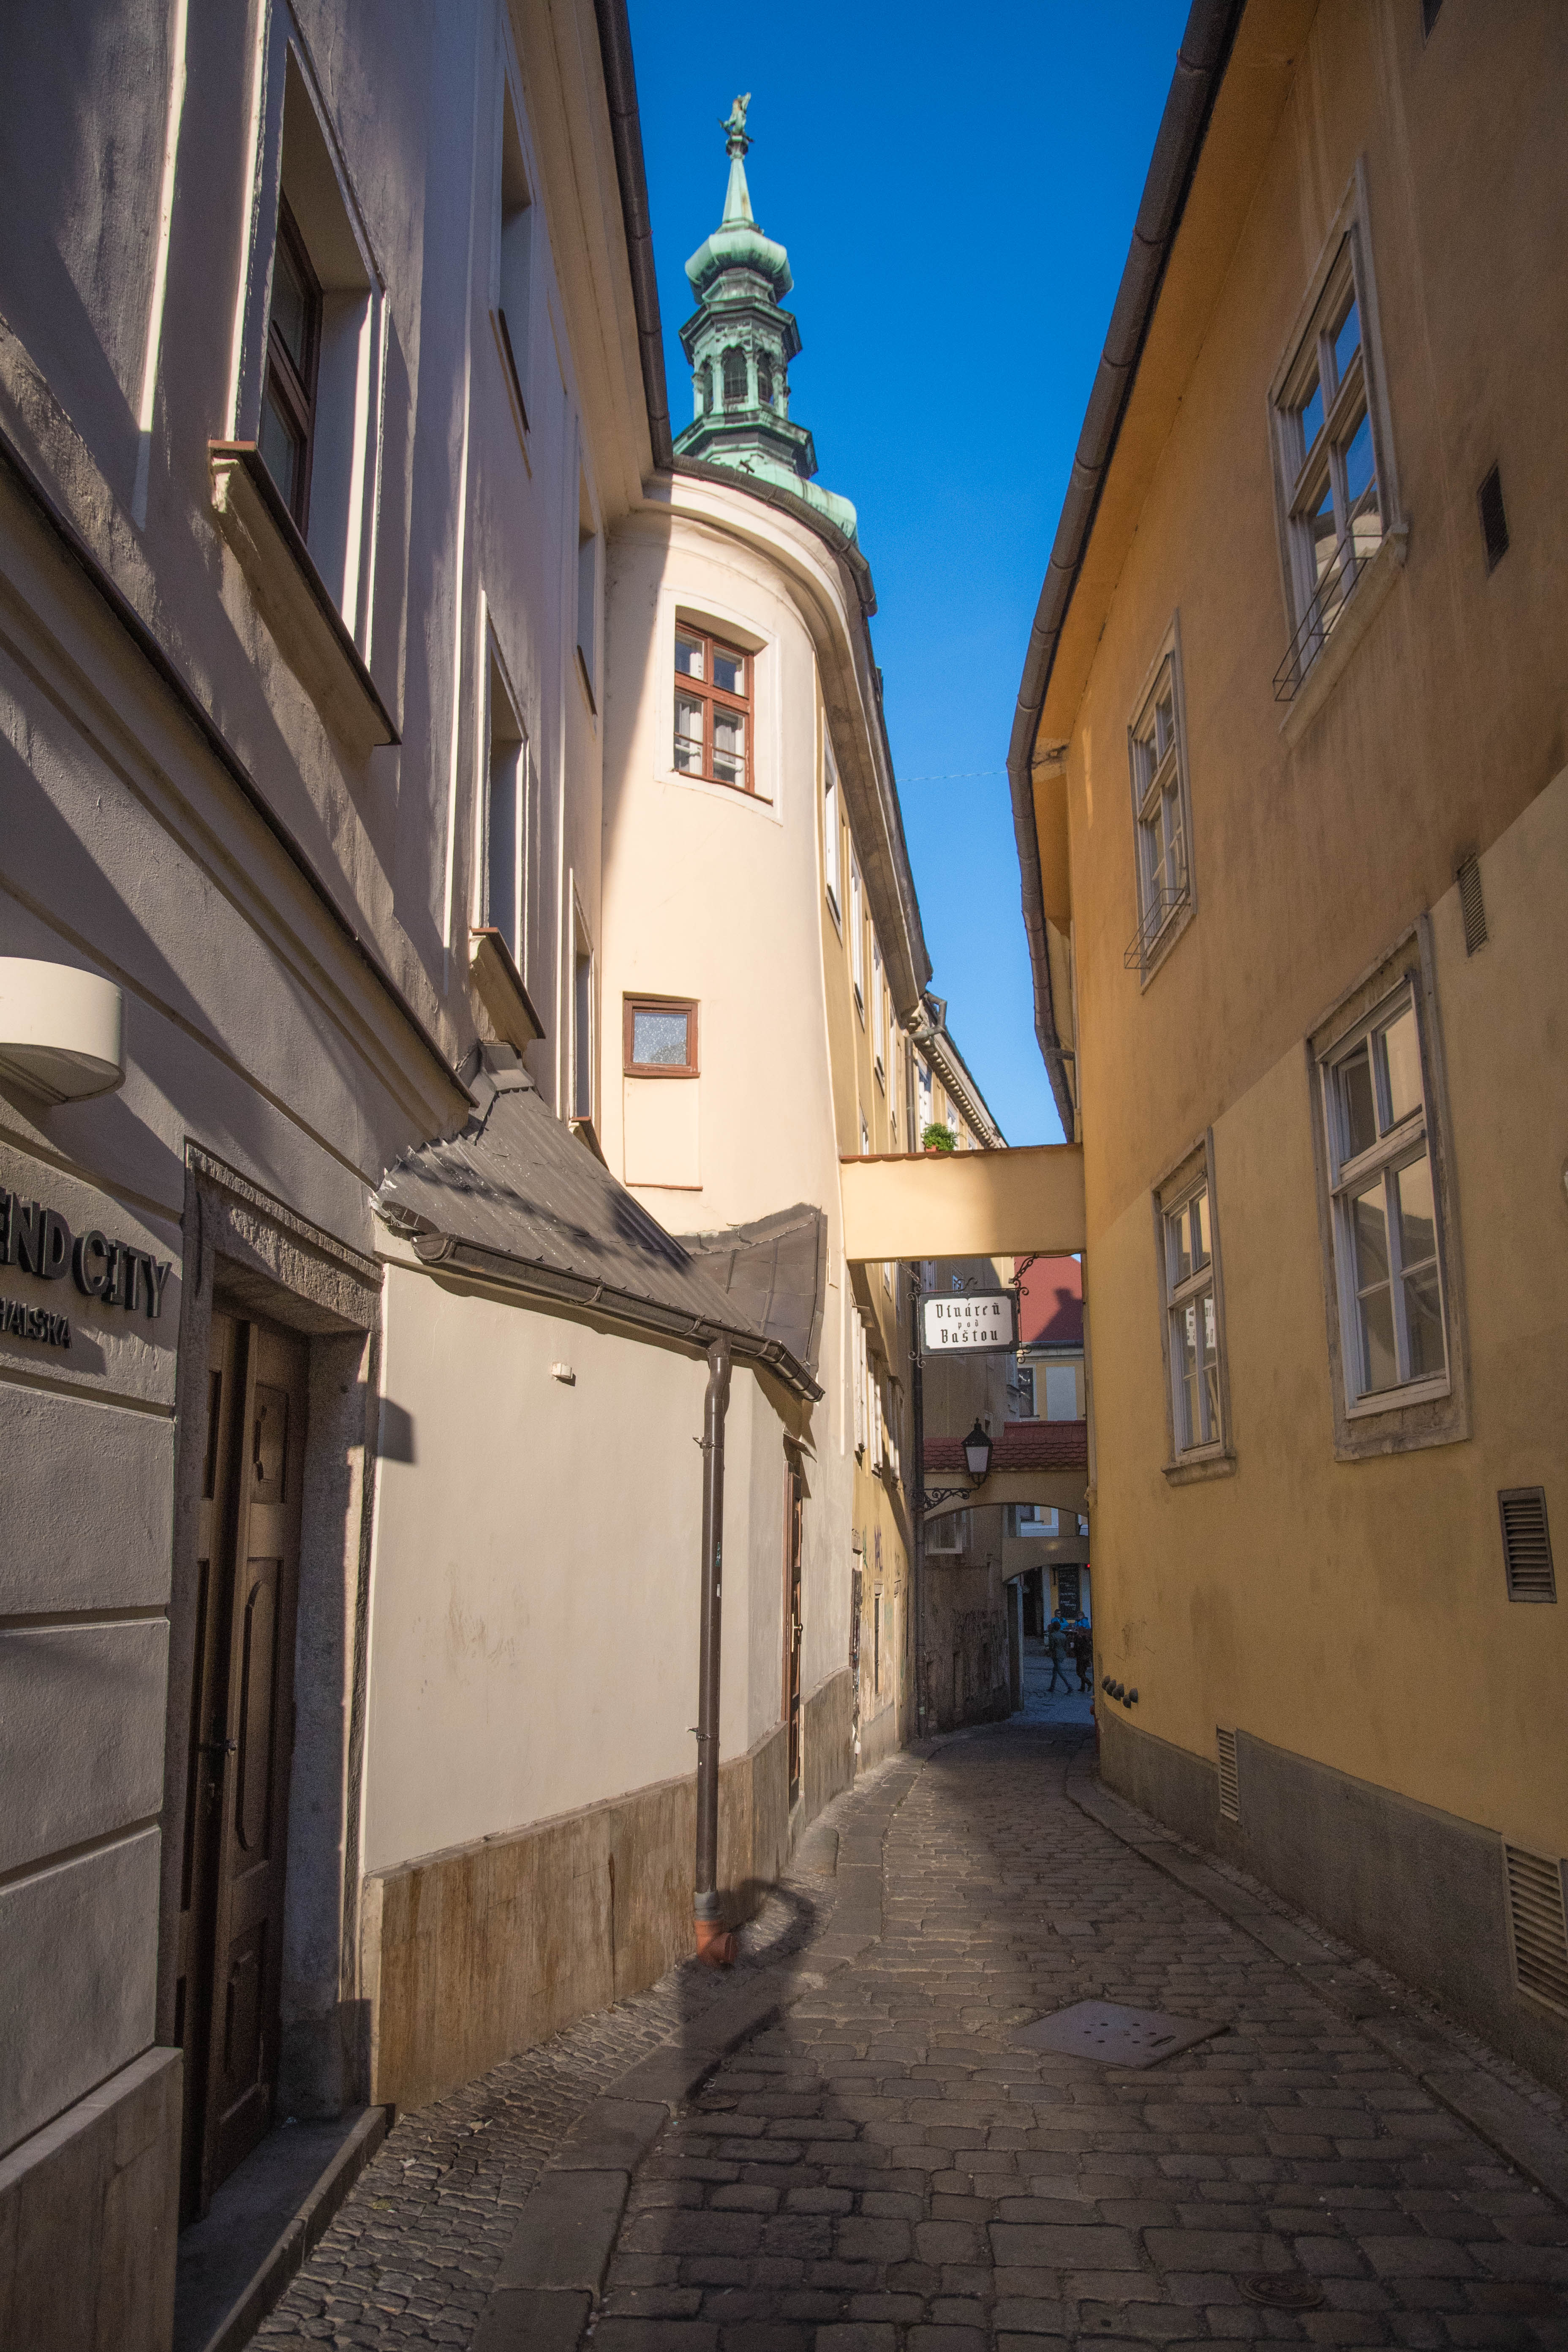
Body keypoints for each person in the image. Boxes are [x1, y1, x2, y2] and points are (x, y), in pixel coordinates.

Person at [1045, 1617, 1071, 1694]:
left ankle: (1069, 1687)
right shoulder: (1063, 1635)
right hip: (1062, 1654)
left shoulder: (1052, 1636)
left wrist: (1049, 1651)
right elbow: (1066, 1646)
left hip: (1056, 1655)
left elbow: (1052, 1647)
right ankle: (1052, 1687)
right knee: (1055, 1671)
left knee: (1059, 1672)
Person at [1072, 1623, 1092, 1692]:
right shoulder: (1086, 1638)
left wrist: (1073, 1650)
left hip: (1081, 1657)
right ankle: (1083, 1687)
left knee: (1079, 1673)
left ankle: (1089, 1683)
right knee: (1083, 1672)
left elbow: (1077, 1648)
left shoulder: (1078, 1638)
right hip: (1086, 1657)